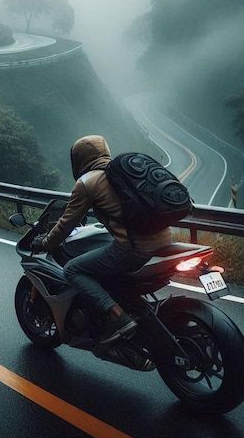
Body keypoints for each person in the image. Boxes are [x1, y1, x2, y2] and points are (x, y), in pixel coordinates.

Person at [32, 135, 172, 345]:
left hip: (134, 249)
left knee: (72, 269)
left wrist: (46, 243)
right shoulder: (126, 173)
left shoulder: (88, 182)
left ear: (79, 158)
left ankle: (118, 317)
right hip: (165, 241)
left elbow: (66, 223)